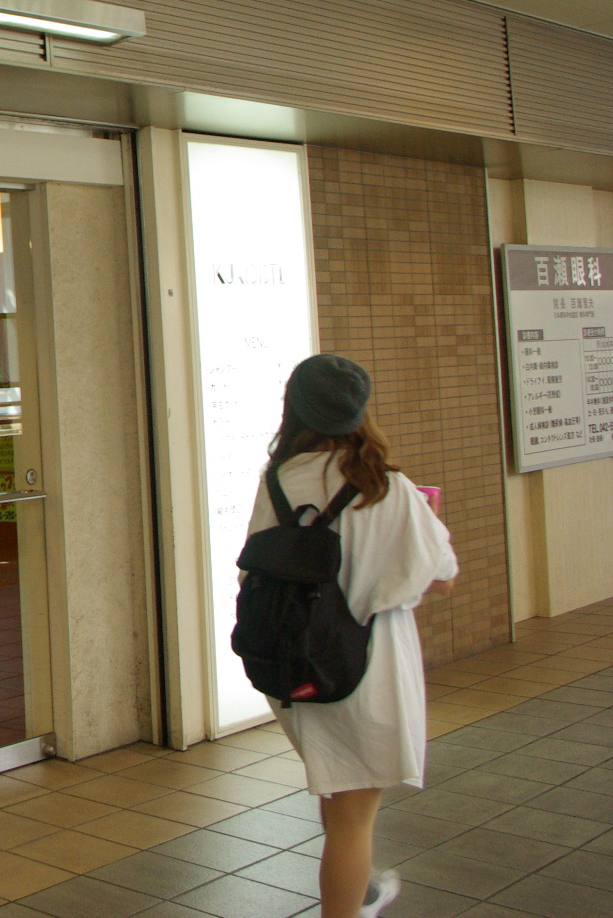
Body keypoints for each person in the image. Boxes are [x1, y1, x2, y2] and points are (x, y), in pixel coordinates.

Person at [246, 354, 456, 918]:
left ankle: (357, 891)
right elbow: (442, 575)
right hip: (363, 668)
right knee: (354, 820)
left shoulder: (278, 480)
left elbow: (253, 567)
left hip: (295, 664)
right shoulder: (386, 488)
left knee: (340, 793)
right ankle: (348, 903)